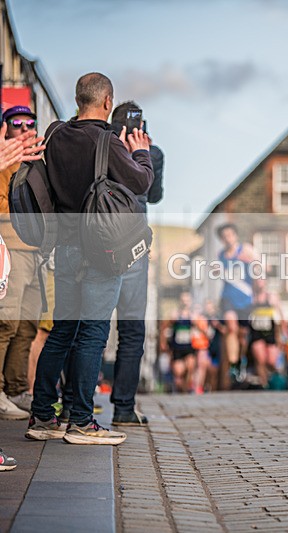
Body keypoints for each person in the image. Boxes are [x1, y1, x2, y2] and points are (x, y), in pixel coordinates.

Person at [26, 72, 152, 445]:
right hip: (99, 249)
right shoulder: (108, 142)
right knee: (93, 332)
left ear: (78, 98)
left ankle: (43, 415)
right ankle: (81, 420)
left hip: (63, 247)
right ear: (107, 102)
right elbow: (142, 183)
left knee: (62, 331)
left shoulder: (55, 134)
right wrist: (141, 152)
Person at [107, 101, 164, 426]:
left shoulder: (104, 146)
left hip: (99, 243)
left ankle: (74, 406)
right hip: (134, 249)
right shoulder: (152, 153)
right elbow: (154, 195)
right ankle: (124, 408)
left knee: (91, 328)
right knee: (131, 331)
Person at [0, 106, 46, 419]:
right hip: (11, 248)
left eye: (30, 122)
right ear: (6, 129)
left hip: (36, 252)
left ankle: (16, 390)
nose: (26, 128)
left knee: (28, 325)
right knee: (6, 321)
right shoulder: (4, 163)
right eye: (18, 123)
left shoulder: (38, 163)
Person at [216, 223, 257, 389]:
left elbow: (264, 268)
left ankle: (241, 360)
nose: (227, 238)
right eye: (224, 236)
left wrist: (251, 262)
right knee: (231, 328)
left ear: (235, 236)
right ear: (221, 239)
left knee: (242, 335)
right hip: (228, 297)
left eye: (230, 235)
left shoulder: (246, 250)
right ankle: (233, 365)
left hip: (246, 298)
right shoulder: (220, 255)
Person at [247, 277, 284, 388]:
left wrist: (281, 334)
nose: (259, 283)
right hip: (256, 332)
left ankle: (275, 376)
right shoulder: (251, 297)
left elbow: (280, 315)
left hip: (271, 332)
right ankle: (264, 384)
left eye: (261, 280)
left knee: (271, 361)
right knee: (260, 359)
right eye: (257, 281)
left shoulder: (272, 297)